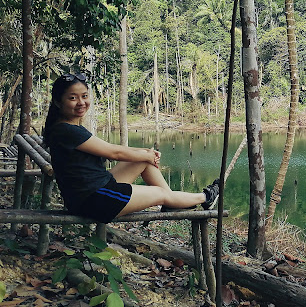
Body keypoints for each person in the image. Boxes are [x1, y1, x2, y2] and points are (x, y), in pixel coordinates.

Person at [43, 73, 219, 224]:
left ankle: (172, 200)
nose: (81, 102)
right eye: (73, 98)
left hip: (96, 188)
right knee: (159, 193)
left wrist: (145, 154)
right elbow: (114, 152)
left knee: (144, 162)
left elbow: (115, 150)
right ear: (58, 102)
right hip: (92, 201)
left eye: (84, 96)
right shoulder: (66, 130)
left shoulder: (68, 128)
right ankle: (204, 198)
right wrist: (145, 154)